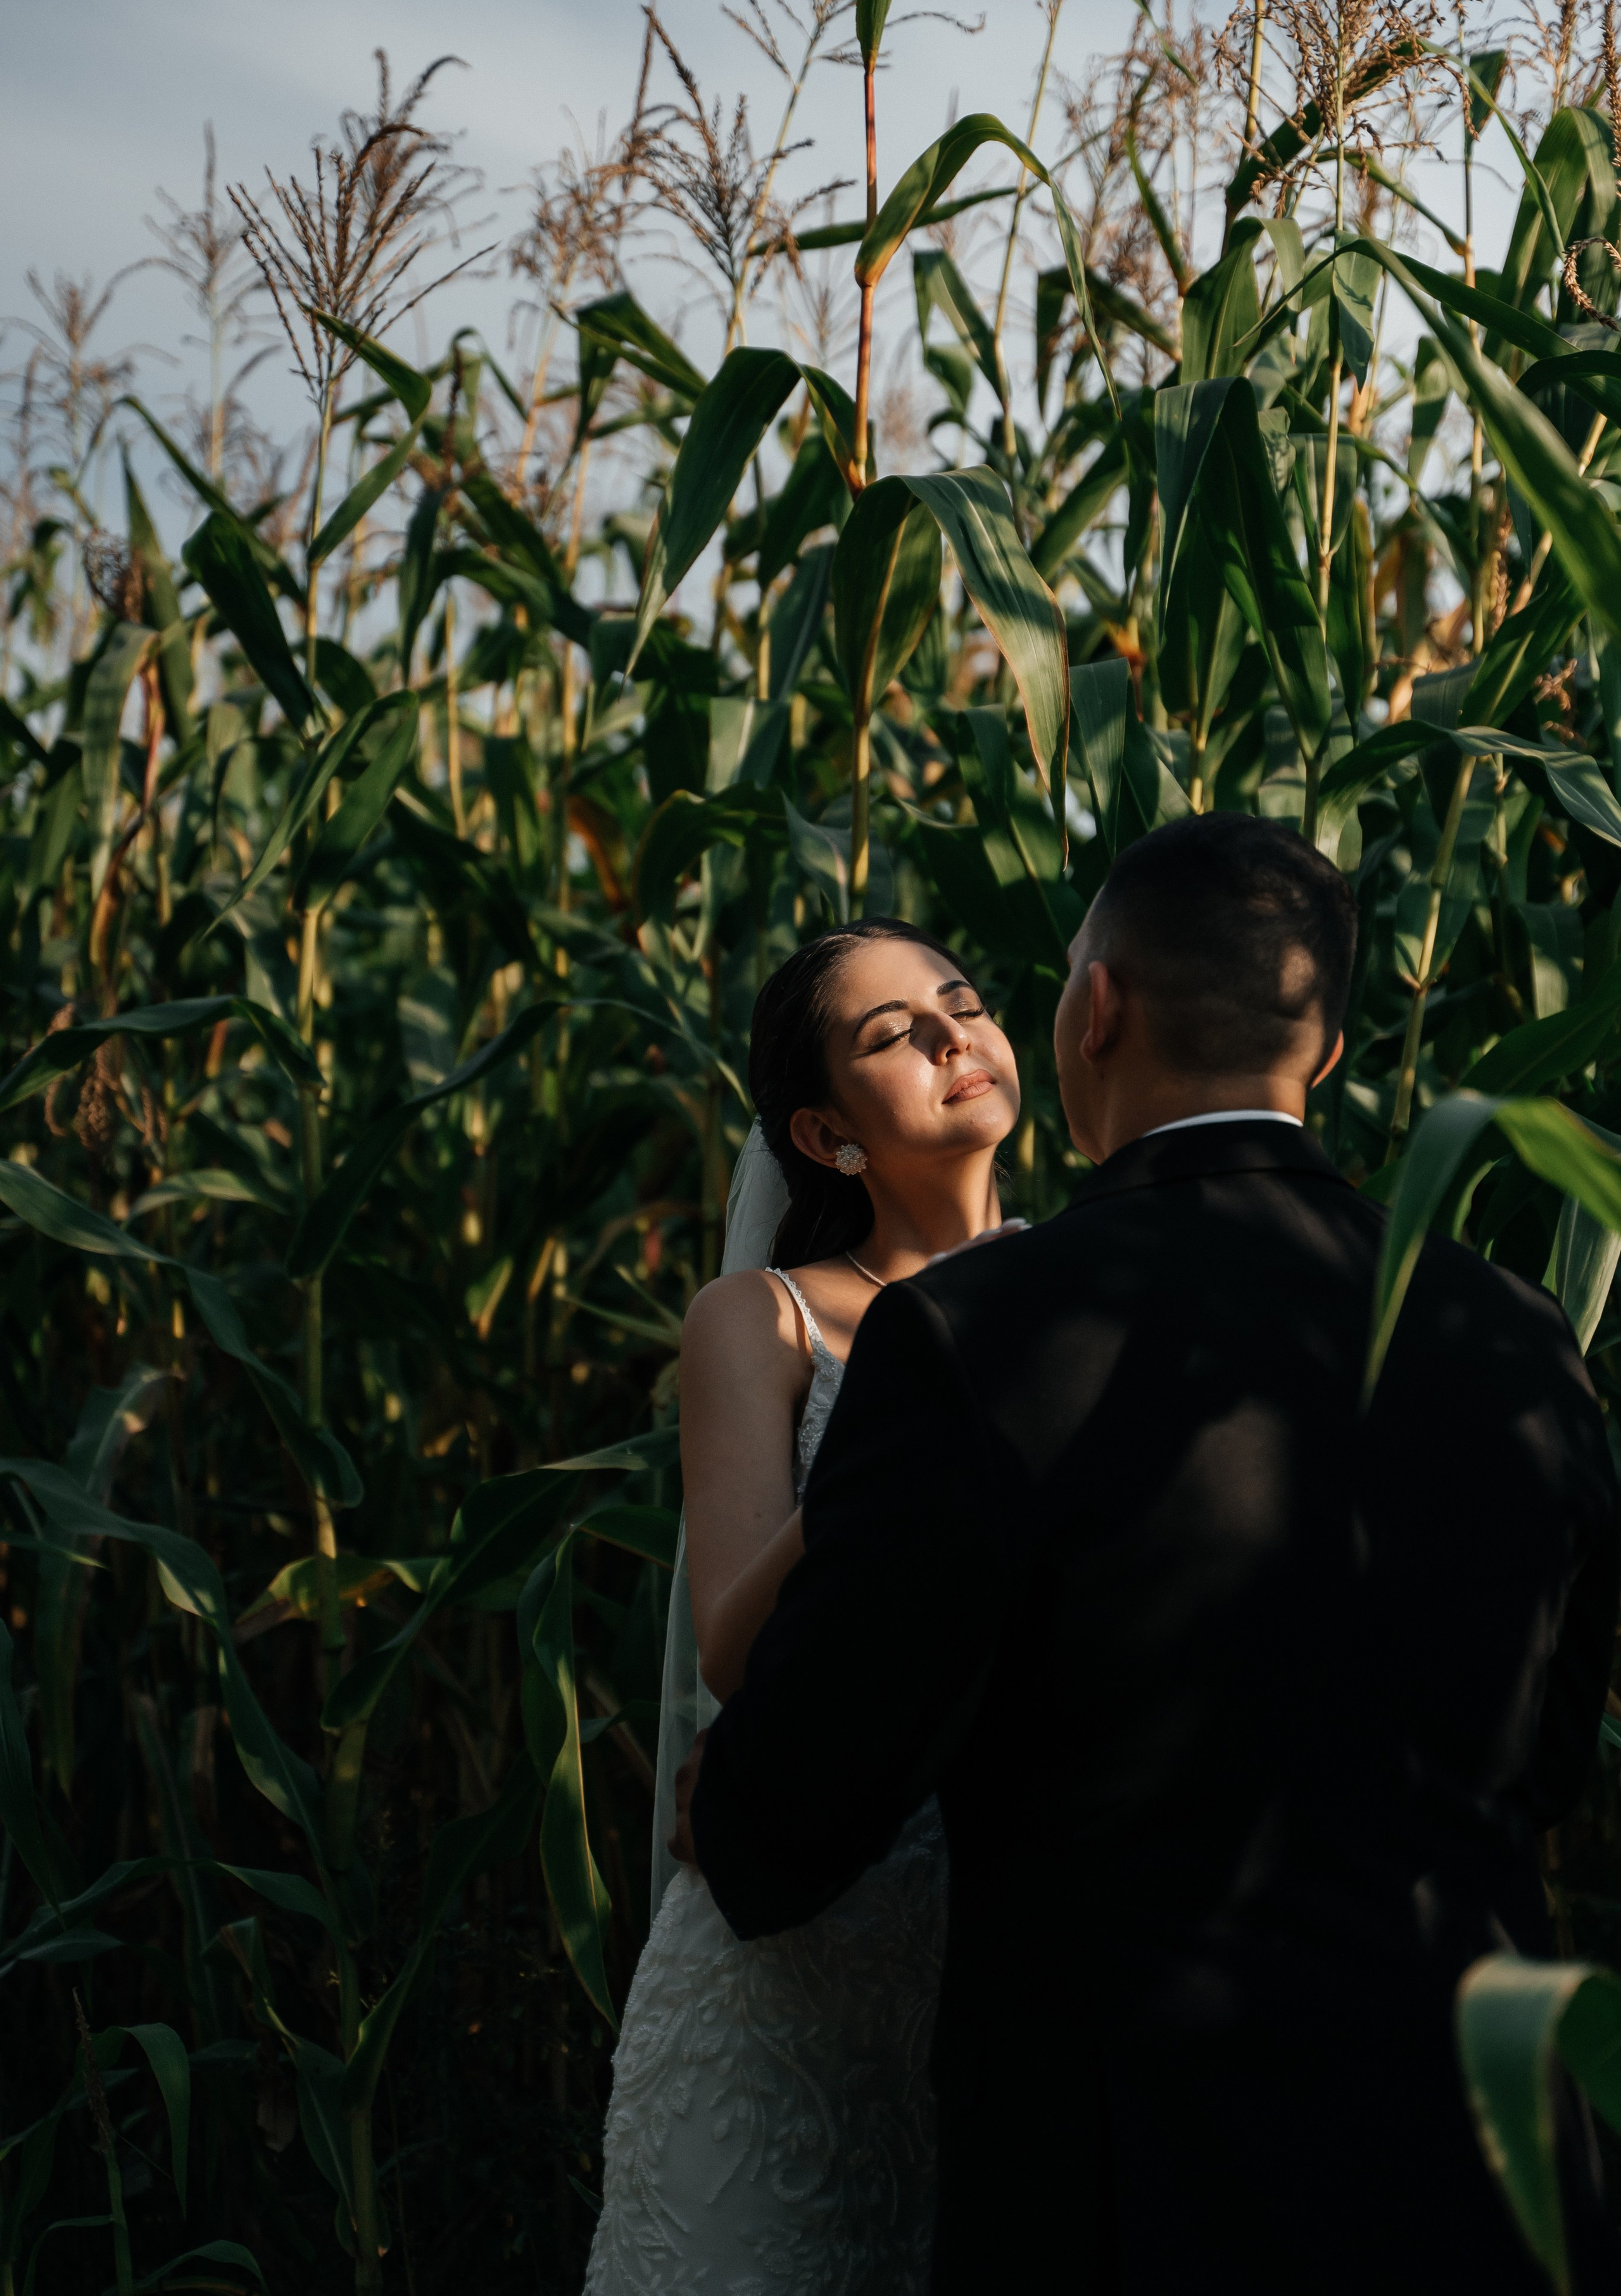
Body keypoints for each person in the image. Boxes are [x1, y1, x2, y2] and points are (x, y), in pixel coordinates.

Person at [688, 814, 1621, 2293]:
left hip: (1144, 2196)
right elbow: (1542, 1754)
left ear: (1091, 1009)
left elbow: (792, 1797)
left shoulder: (990, 1338)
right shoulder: (1514, 1329)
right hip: (1490, 2176)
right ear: (1319, 1048)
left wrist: (716, 1814)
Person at [583, 916, 1024, 2296]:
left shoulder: (1080, 1285)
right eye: (895, 1032)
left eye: (960, 1003)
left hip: (991, 1941)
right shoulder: (762, 1317)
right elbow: (730, 1640)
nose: (955, 1034)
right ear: (828, 1137)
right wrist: (913, 1398)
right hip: (792, 1950)